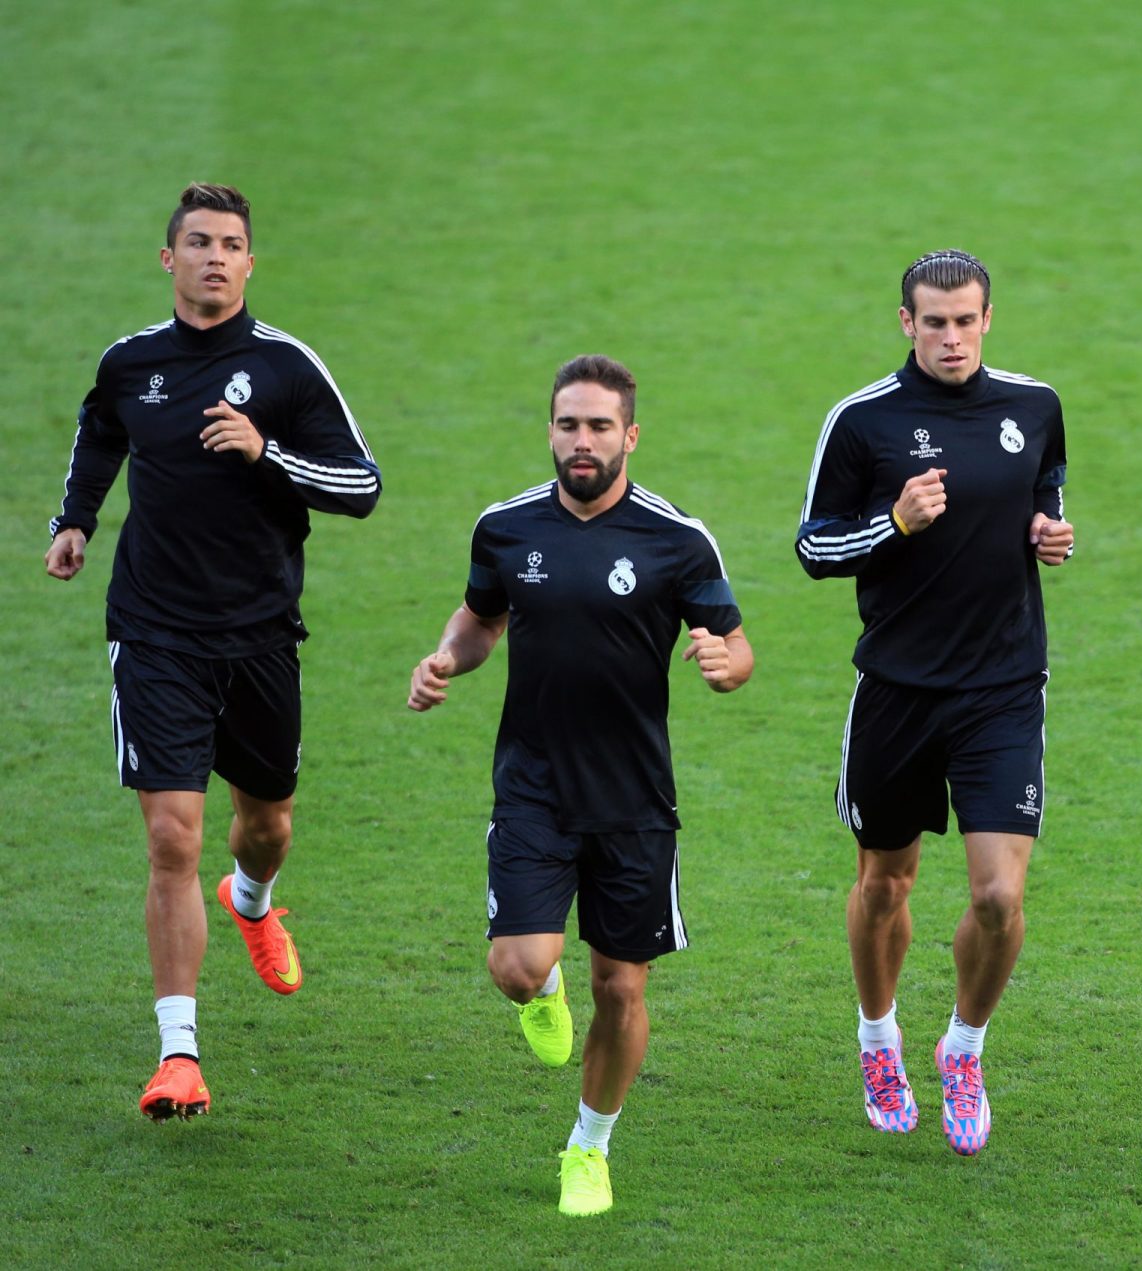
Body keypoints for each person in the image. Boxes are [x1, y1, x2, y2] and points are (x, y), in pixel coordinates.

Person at [45, 183, 381, 1121]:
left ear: (249, 262)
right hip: (154, 632)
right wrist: (76, 519)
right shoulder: (131, 364)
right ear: (169, 259)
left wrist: (264, 450)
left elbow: (361, 485)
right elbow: (100, 430)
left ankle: (254, 897)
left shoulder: (285, 370)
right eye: (198, 242)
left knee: (265, 823)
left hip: (262, 635)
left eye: (231, 244)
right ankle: (179, 1053)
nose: (215, 258)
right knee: (168, 836)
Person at [407, 355, 752, 1217]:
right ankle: (542, 986)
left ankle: (588, 1148)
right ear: (551, 431)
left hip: (634, 800)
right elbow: (481, 618)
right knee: (520, 969)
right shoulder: (507, 528)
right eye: (569, 425)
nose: (583, 441)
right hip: (533, 785)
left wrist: (722, 663)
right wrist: (450, 655)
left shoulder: (678, 539)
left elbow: (737, 645)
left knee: (624, 989)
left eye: (600, 426)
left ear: (630, 434)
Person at [796, 249, 1073, 1156]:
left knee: (999, 895)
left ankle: (964, 1047)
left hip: (1002, 687)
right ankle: (880, 1039)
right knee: (886, 882)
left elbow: (1043, 491)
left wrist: (1048, 529)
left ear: (988, 319)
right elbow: (814, 548)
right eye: (934, 322)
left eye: (966, 321)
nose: (951, 338)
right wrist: (896, 523)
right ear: (905, 323)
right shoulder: (862, 422)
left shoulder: (1033, 407)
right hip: (898, 691)